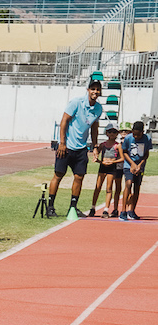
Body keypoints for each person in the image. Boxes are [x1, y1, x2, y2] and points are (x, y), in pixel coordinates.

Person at [48, 78, 103, 219]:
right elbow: (64, 121)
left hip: (81, 148)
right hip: (66, 147)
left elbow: (94, 128)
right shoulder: (76, 103)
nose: (95, 92)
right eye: (93, 89)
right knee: (58, 175)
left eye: (97, 89)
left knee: (79, 177)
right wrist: (62, 143)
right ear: (88, 90)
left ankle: (73, 207)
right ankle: (50, 206)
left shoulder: (98, 109)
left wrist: (95, 146)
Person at [119, 119, 151, 221]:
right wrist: (132, 164)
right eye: (134, 134)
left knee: (137, 187)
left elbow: (146, 153)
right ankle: (123, 211)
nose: (136, 137)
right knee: (128, 184)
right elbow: (124, 152)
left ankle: (132, 210)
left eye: (138, 135)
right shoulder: (128, 138)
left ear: (142, 132)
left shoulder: (147, 139)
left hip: (140, 166)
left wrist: (140, 165)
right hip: (129, 165)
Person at [93, 125, 123, 218]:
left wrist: (113, 161)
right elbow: (96, 153)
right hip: (103, 166)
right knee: (98, 187)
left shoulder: (117, 145)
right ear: (106, 133)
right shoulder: (103, 144)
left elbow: (122, 158)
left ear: (117, 134)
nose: (112, 134)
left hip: (112, 167)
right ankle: (92, 207)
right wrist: (98, 160)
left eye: (114, 132)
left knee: (109, 188)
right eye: (110, 132)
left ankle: (106, 209)